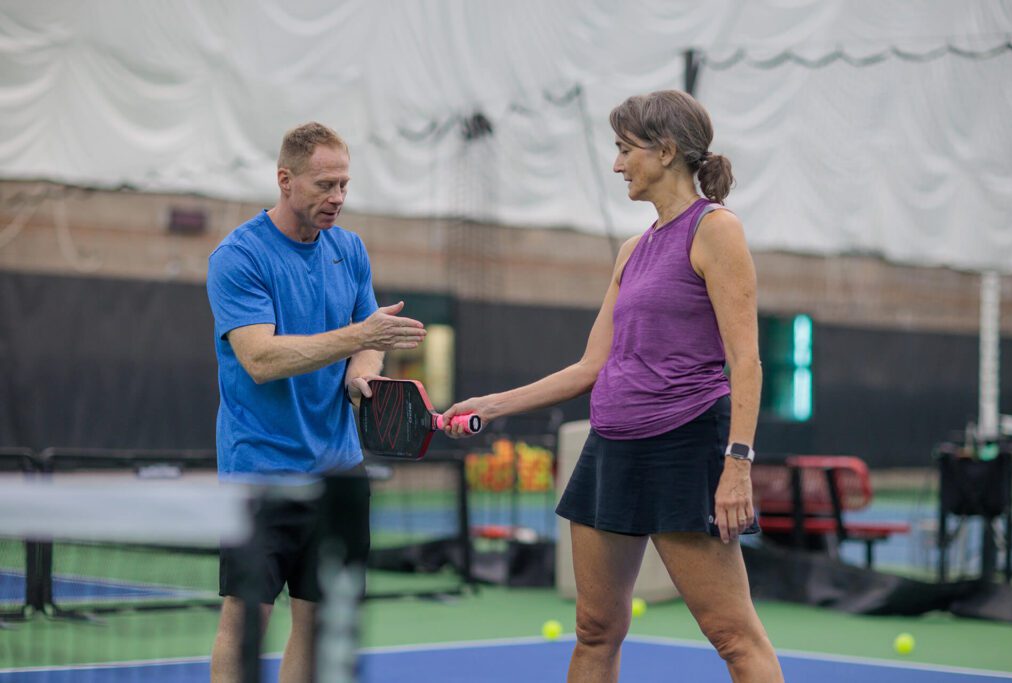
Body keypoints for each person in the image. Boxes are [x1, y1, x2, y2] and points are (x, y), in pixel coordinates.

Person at [443, 90, 784, 682]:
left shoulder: (717, 230)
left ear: (667, 151)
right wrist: (492, 405)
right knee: (595, 630)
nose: (618, 164)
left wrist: (738, 464)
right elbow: (590, 367)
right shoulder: (633, 250)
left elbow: (746, 361)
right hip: (611, 447)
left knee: (732, 635)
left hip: (684, 445)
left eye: (626, 150)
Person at [205, 121, 426, 682]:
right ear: (285, 180)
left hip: (338, 473)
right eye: (325, 185)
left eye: (345, 185)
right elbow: (261, 359)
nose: (338, 198)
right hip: (260, 471)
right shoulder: (239, 257)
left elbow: (367, 345)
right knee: (244, 617)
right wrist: (362, 339)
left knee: (319, 621)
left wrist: (362, 374)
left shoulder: (348, 250)